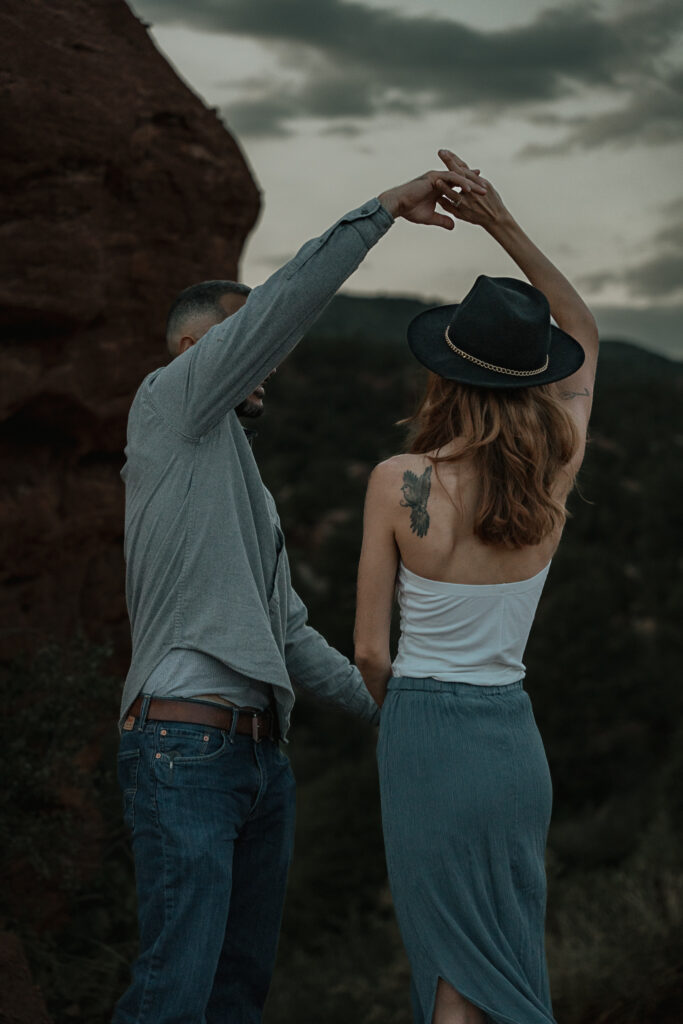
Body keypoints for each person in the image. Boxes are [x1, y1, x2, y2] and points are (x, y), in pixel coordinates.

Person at [113, 157, 487, 1023]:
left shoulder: (244, 489)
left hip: (256, 761)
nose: (270, 364)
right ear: (194, 351)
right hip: (184, 750)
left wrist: (405, 709)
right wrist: (381, 210)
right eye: (252, 346)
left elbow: (290, 639)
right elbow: (283, 307)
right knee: (173, 995)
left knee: (236, 997)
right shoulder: (166, 406)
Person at [354, 149, 599, 1024]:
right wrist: (501, 221)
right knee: (505, 951)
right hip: (512, 745)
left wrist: (399, 717)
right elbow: (586, 335)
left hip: (426, 733)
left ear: (444, 372)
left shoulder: (398, 480)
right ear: (532, 378)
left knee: (450, 966)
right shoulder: (554, 472)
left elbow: (370, 649)